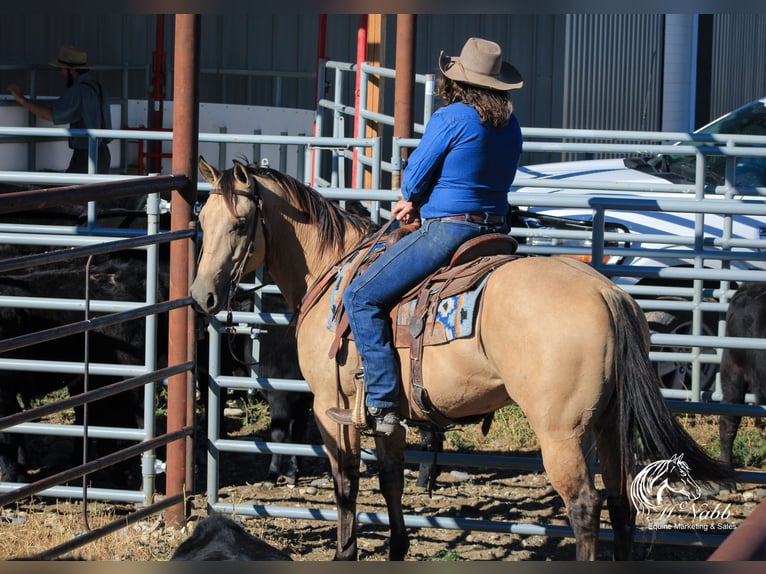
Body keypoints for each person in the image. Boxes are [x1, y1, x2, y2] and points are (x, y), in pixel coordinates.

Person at [326, 37, 525, 435]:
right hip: (497, 231)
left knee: (361, 295)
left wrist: (410, 200)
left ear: (460, 81)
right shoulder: (510, 125)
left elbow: (415, 174)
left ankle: (382, 404)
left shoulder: (451, 118)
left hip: (449, 230)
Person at [7, 44, 112, 174]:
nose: (60, 73)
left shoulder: (79, 91)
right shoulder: (98, 88)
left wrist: (21, 99)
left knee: (72, 192)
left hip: (86, 154)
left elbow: (51, 115)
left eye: (61, 69)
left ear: (71, 70)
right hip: (102, 152)